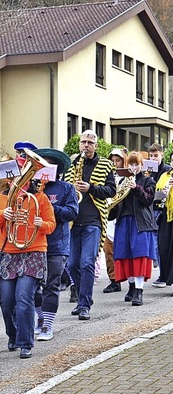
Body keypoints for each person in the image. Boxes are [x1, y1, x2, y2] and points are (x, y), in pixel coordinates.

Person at [0, 157, 56, 358]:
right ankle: (13, 334)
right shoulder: (2, 197)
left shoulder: (40, 197)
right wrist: (3, 215)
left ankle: (26, 342)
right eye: (16, 175)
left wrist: (39, 223)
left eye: (23, 174)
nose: (18, 180)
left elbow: (51, 225)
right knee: (6, 300)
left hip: (34, 252)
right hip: (10, 253)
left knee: (24, 297)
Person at [64, 130, 116, 320]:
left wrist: (91, 188)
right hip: (73, 222)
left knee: (87, 263)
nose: (86, 145)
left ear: (95, 145)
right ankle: (82, 298)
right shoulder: (71, 165)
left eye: (89, 142)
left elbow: (111, 190)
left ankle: (84, 304)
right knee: (72, 264)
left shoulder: (105, 164)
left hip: (93, 220)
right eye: (83, 142)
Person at [32, 148, 79, 341]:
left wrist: (50, 208)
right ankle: (41, 318)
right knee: (31, 287)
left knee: (51, 285)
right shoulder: (29, 188)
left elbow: (72, 212)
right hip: (33, 244)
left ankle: (47, 326)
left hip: (56, 244)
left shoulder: (66, 188)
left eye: (49, 166)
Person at [109, 151, 157, 305]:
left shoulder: (148, 181)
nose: (134, 167)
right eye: (131, 164)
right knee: (124, 254)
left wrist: (136, 187)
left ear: (141, 165)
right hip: (123, 221)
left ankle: (139, 291)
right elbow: (116, 204)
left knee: (139, 255)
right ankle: (131, 286)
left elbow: (147, 200)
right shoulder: (121, 181)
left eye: (137, 164)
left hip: (140, 223)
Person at [101, 148, 128, 294]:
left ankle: (130, 280)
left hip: (122, 216)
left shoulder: (128, 177)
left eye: (118, 160)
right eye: (112, 160)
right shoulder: (107, 175)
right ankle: (114, 280)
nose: (115, 163)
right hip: (108, 215)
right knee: (108, 249)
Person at [146, 143, 172, 288]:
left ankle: (163, 275)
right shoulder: (148, 170)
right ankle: (162, 274)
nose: (153, 158)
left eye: (156, 155)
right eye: (151, 156)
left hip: (161, 209)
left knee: (161, 244)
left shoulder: (167, 170)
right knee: (157, 243)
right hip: (151, 208)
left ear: (162, 154)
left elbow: (162, 192)